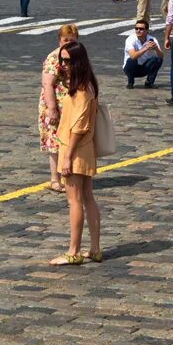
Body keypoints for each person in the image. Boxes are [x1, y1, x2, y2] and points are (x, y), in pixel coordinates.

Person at [49, 40, 102, 266]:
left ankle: (73, 251)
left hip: (75, 148)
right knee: (88, 197)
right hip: (85, 148)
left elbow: (79, 127)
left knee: (74, 200)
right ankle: (95, 249)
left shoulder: (81, 90)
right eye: (61, 60)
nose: (63, 65)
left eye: (67, 61)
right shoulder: (88, 85)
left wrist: (68, 157)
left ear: (78, 61)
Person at [39, 24, 79, 194]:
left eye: (72, 40)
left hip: (71, 105)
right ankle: (55, 179)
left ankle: (68, 175)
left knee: (69, 140)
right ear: (59, 40)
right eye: (65, 40)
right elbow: (47, 83)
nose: (68, 43)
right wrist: (52, 108)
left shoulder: (76, 55)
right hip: (55, 104)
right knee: (54, 142)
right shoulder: (54, 57)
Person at [123, 21, 163, 89]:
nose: (138, 30)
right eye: (136, 28)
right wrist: (145, 48)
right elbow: (133, 56)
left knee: (158, 59)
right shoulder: (130, 39)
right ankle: (130, 82)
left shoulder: (152, 39)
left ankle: (149, 82)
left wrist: (156, 48)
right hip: (130, 68)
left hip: (144, 68)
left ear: (147, 30)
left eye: (141, 29)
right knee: (132, 59)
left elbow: (161, 56)